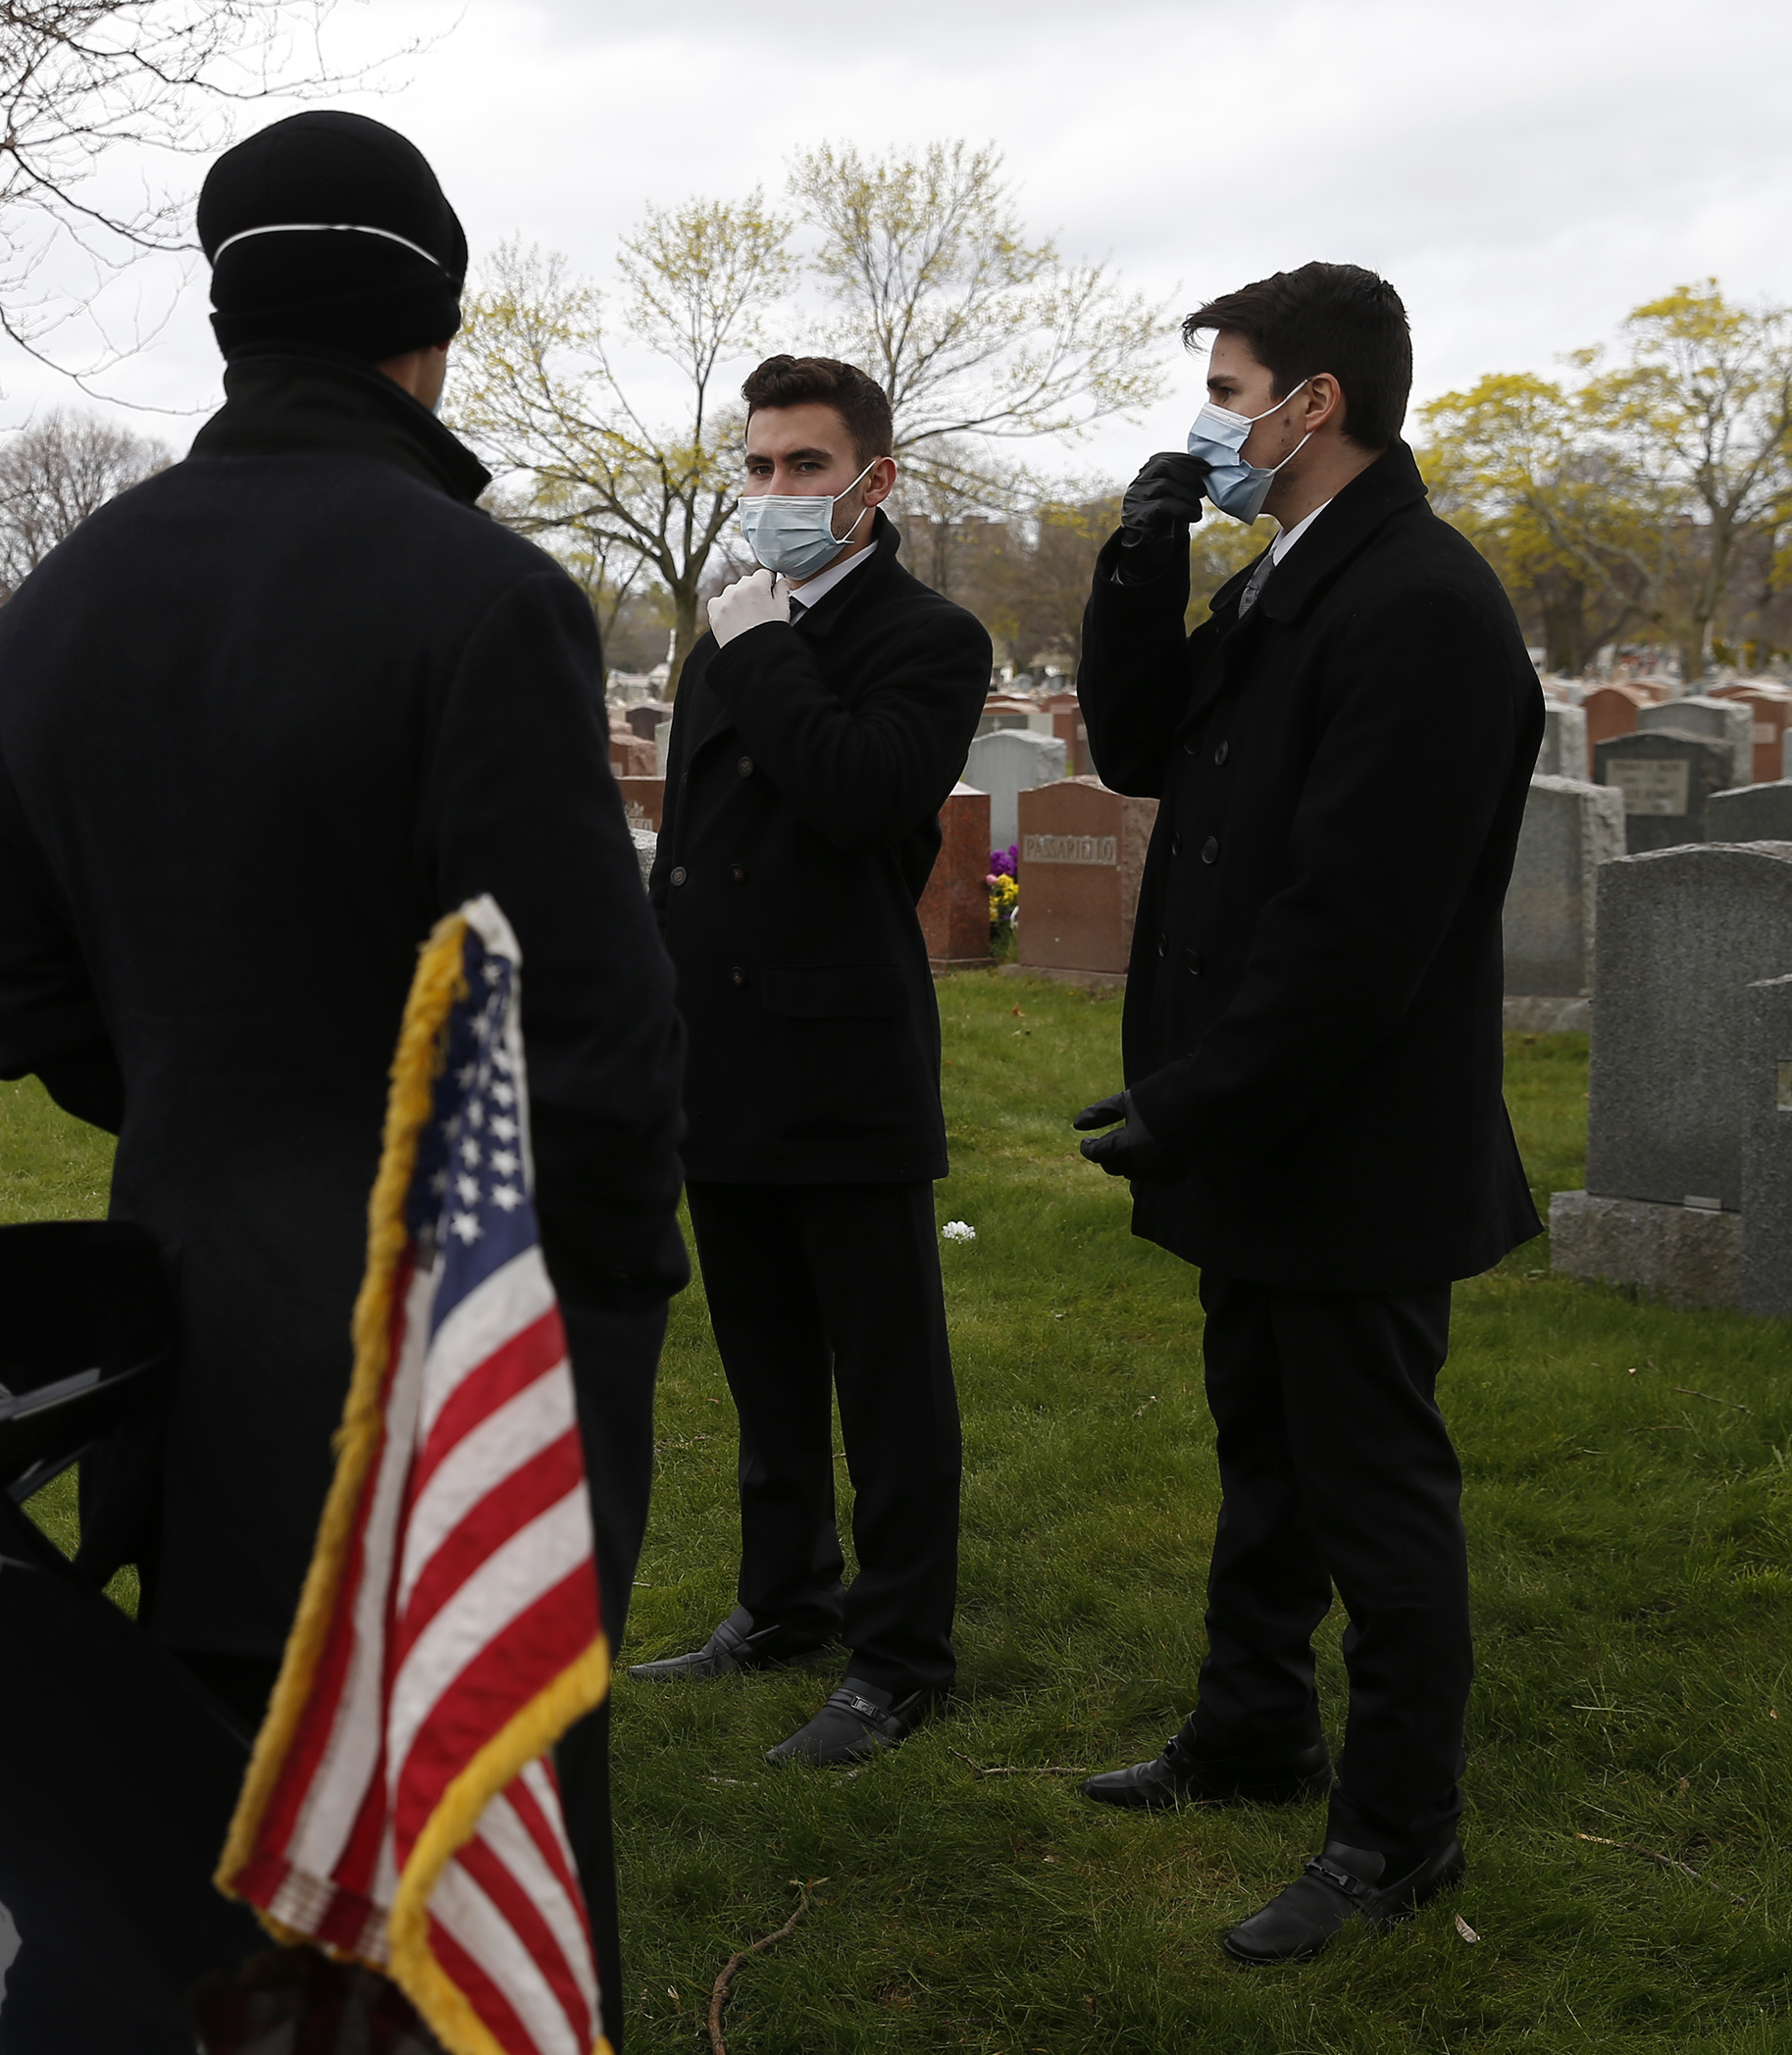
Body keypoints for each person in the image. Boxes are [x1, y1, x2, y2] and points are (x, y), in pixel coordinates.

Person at [0, 112, 687, 2026]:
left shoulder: (48, 617)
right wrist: (588, 1324)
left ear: (229, 318)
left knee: (220, 1883)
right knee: (466, 1919)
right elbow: (586, 1045)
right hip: (453, 1380)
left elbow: (30, 1018)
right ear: (424, 324)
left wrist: (220, 1117)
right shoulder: (477, 597)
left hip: (190, 1353)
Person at [1068, 263, 1542, 1965]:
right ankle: (1251, 1727)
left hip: (1348, 1137)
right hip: (1263, 1126)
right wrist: (1142, 554)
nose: (1215, 412)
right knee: (1262, 1449)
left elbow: (1358, 924)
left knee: (1371, 1485)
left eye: (1230, 383)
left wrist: (1200, 1096)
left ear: (1312, 403)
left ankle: (1401, 1829)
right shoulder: (1288, 579)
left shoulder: (1416, 602)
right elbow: (1138, 749)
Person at [623, 357, 991, 1769]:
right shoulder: (722, 637)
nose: (775, 493)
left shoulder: (929, 635)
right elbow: (691, 848)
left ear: (873, 481)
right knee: (763, 1356)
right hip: (715, 1050)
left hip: (845, 1056)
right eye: (761, 466)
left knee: (885, 1376)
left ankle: (901, 1655)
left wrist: (768, 645)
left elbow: (859, 797)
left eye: (806, 467)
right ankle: (785, 1598)